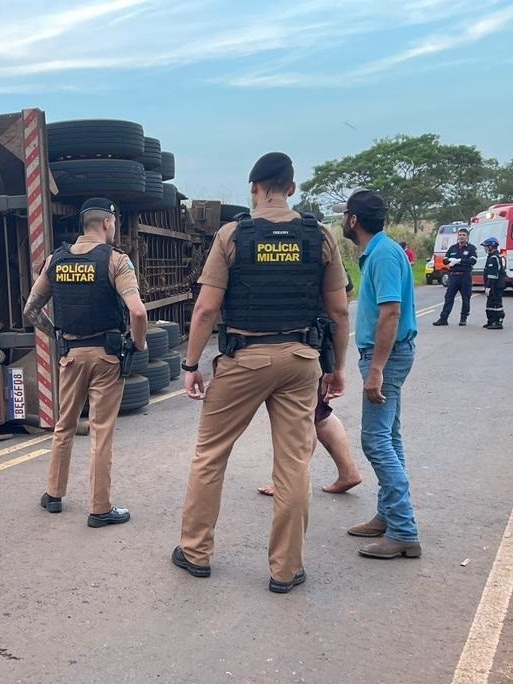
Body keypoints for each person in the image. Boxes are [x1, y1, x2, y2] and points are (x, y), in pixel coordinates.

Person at [171, 152, 350, 592]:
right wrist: (337, 368)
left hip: (243, 358)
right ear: (291, 187)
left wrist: (191, 364)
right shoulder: (319, 236)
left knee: (211, 455)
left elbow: (207, 307)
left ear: (254, 189)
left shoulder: (234, 235)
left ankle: (195, 552)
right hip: (301, 360)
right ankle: (286, 569)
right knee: (293, 464)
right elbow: (340, 311)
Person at [23, 197, 147, 528]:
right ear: (107, 222)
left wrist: (59, 335)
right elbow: (137, 311)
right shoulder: (116, 261)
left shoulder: (55, 260)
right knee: (101, 432)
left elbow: (31, 311)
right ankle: (100, 507)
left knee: (64, 425)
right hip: (106, 356)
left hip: (70, 355)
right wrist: (138, 343)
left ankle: (53, 495)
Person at [334, 190, 421, 560]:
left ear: (354, 220)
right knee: (390, 436)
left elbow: (390, 314)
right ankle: (388, 516)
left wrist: (377, 371)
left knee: (376, 442)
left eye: (344, 215)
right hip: (387, 355)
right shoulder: (380, 252)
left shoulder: (383, 255)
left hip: (386, 356)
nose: (342, 221)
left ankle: (403, 529)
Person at [258, 270, 362, 496]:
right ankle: (348, 471)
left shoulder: (303, 247)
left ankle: (289, 480)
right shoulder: (319, 246)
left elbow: (343, 303)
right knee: (319, 413)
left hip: (307, 344)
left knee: (300, 417)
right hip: (319, 341)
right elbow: (347, 294)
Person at [432, 228, 477, 326]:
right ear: (457, 236)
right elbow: (445, 260)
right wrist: (449, 260)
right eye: (460, 235)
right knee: (448, 297)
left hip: (465, 276)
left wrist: (460, 261)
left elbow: (473, 261)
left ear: (467, 237)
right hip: (454, 276)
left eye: (464, 235)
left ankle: (463, 318)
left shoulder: (471, 248)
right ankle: (443, 318)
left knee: (465, 298)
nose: (461, 237)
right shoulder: (452, 248)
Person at [481, 237, 506, 329]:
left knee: (496, 303)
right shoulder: (492, 257)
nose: (485, 248)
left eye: (487, 246)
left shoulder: (494, 258)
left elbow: (493, 275)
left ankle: (498, 322)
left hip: (495, 285)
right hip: (493, 285)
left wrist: (488, 286)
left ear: (492, 246)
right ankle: (491, 321)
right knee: (490, 303)